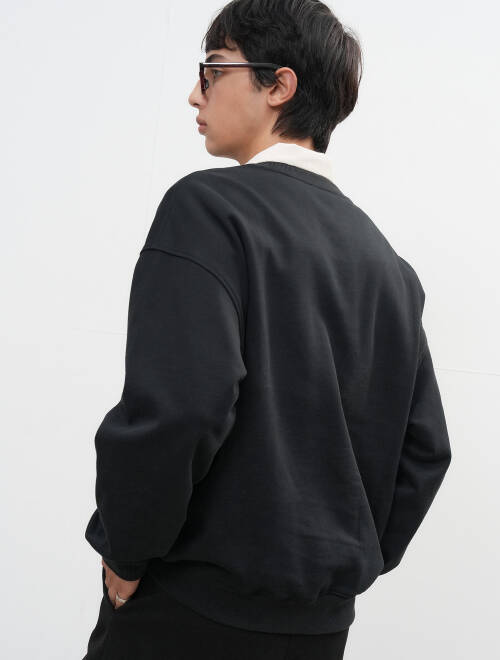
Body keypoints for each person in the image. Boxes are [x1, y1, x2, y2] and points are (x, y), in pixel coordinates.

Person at [82, 1, 452, 658]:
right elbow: (424, 452)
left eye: (213, 70)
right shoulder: (390, 268)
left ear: (279, 85)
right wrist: (335, 574)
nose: (194, 93)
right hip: (318, 632)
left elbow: (179, 407)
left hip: (187, 615)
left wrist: (126, 549)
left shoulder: (209, 210)